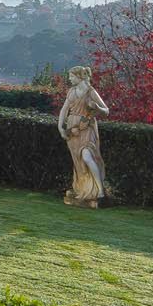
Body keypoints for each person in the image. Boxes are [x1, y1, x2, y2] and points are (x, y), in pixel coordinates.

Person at [57, 65, 110, 207]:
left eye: (71, 76)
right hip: (73, 129)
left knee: (87, 155)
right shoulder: (72, 91)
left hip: (86, 127)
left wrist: (96, 108)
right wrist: (60, 128)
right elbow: (64, 110)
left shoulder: (91, 91)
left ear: (79, 77)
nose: (69, 79)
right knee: (78, 161)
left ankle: (100, 191)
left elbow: (106, 110)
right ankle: (84, 189)